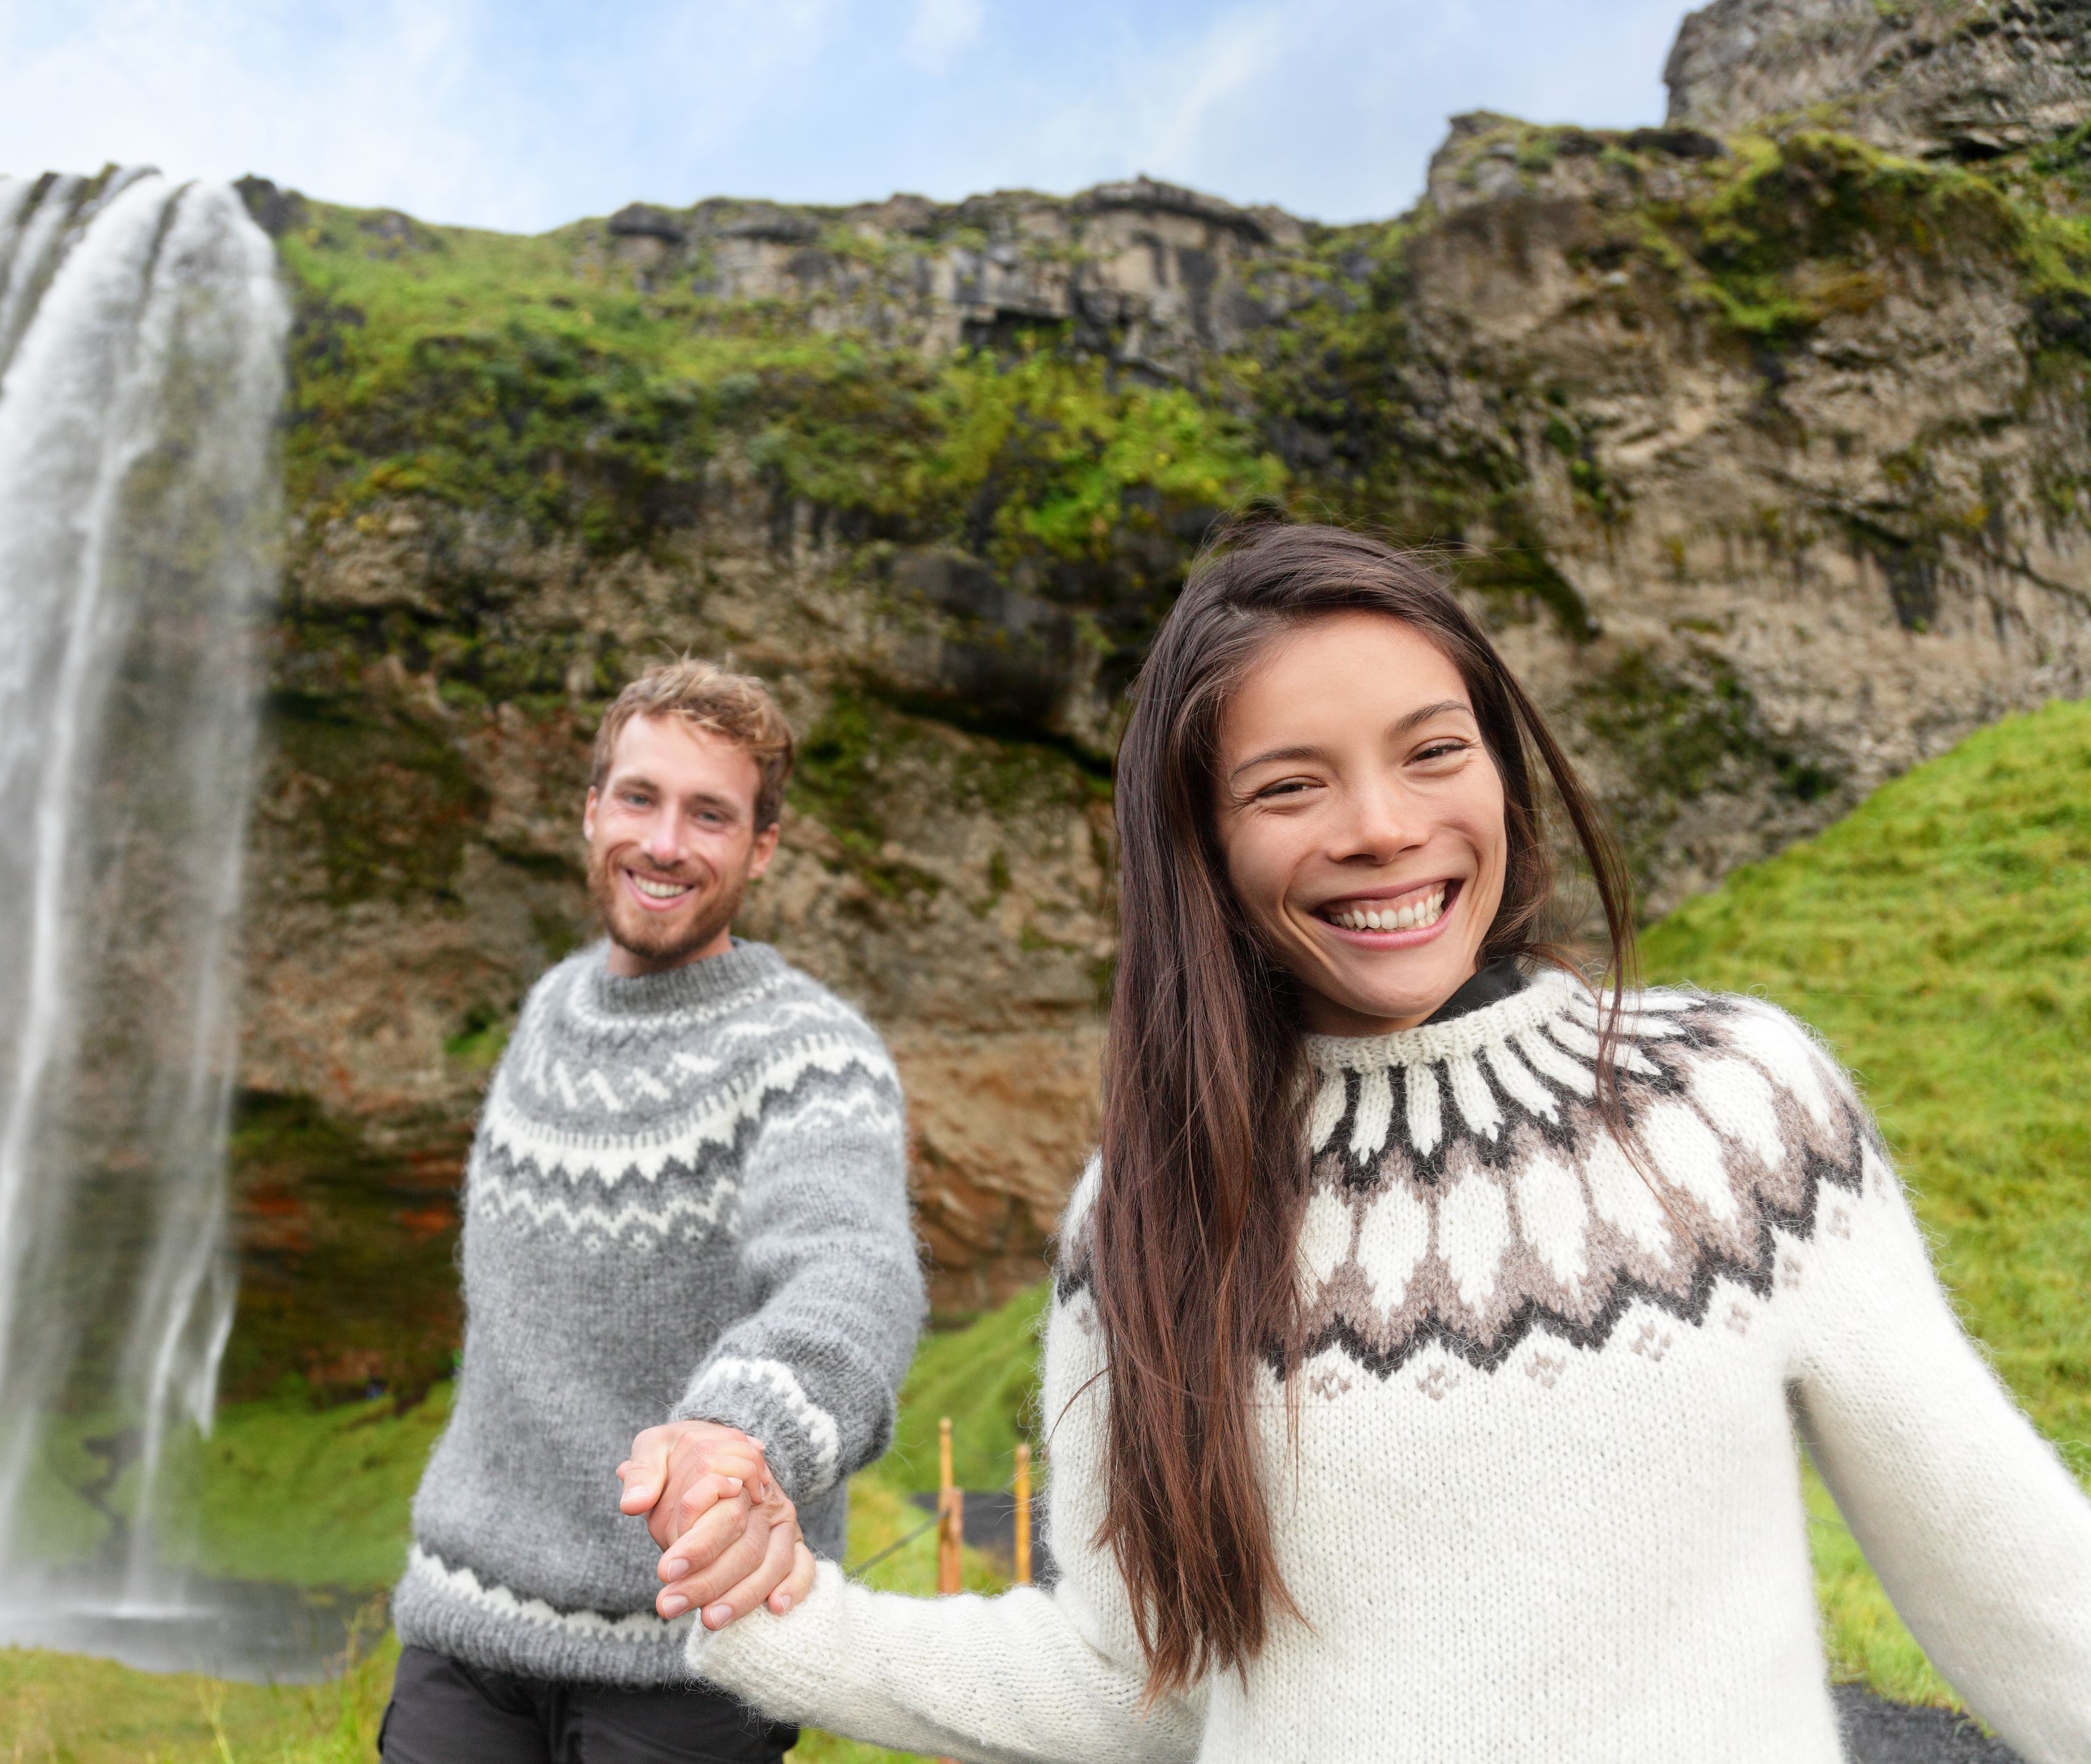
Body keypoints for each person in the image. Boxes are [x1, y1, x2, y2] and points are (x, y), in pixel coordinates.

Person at [666, 525, 2091, 1761]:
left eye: (1433, 752)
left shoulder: (1739, 1103)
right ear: (1203, 846)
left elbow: (2017, 1579)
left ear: (1504, 768)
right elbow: (1136, 1680)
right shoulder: (1148, 1206)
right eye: (1290, 786)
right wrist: (783, 1613)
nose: (1383, 826)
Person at [380, 658, 924, 1764]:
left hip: (693, 1664)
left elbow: (852, 1271)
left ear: (761, 847)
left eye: (710, 814)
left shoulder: (811, 1058)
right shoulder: (545, 1013)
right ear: (592, 811)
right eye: (640, 798)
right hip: (466, 1633)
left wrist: (739, 1432)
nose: (665, 843)